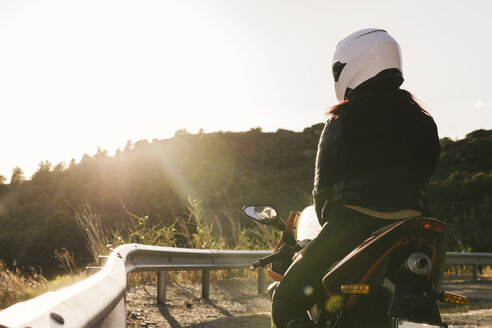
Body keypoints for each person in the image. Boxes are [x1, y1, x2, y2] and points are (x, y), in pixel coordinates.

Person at [271, 28, 441, 328]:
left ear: (351, 65)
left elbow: (322, 191)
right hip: (415, 228)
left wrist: (328, 219)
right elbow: (426, 171)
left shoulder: (343, 118)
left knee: (285, 300)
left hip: (353, 225)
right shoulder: (424, 119)